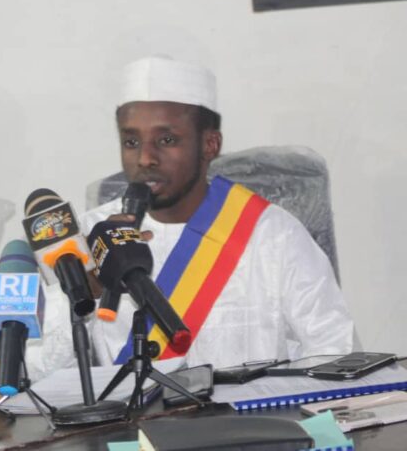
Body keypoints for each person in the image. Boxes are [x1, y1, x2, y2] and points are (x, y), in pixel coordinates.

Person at [81, 55, 354, 369]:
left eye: (166, 140)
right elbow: (44, 366)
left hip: (253, 403)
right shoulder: (91, 235)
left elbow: (335, 351)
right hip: (132, 403)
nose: (145, 158)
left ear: (210, 145)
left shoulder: (272, 235)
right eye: (131, 141)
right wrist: (88, 287)